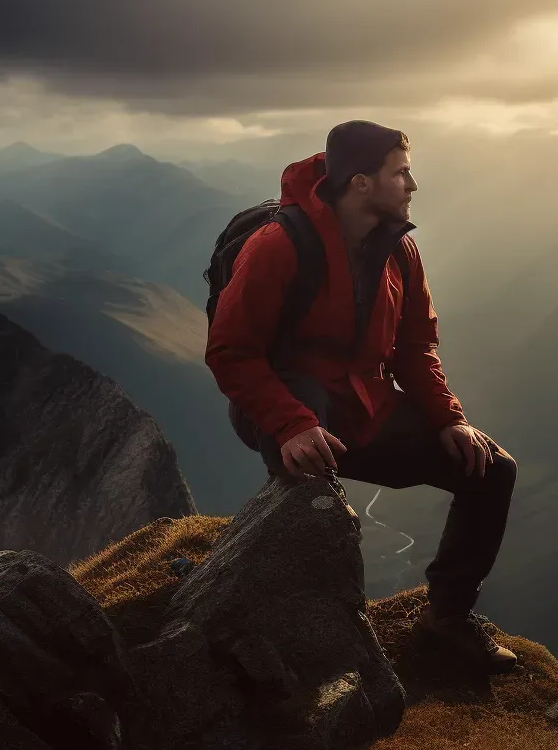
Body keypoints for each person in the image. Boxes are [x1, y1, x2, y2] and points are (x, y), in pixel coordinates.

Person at [205, 120, 518, 672]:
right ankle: (301, 633)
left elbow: (416, 345)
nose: (413, 184)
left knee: (491, 470)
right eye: (400, 173)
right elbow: (231, 350)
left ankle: (445, 621)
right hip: (287, 408)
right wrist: (290, 425)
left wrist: (449, 419)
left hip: (366, 407)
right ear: (360, 183)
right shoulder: (278, 246)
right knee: (309, 487)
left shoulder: (401, 252)